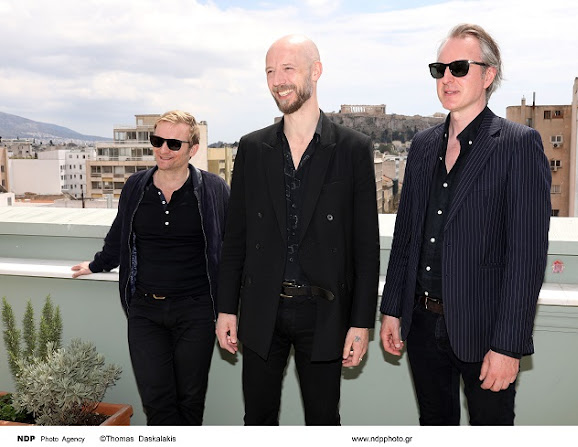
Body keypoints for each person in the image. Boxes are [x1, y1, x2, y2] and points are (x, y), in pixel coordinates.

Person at [380, 23, 551, 425]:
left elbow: (527, 257)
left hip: (486, 332)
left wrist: (508, 346)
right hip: (422, 326)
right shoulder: (422, 146)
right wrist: (392, 310)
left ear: (488, 75)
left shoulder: (518, 144)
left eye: (459, 68)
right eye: (439, 69)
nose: (447, 78)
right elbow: (406, 237)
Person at [215, 34, 379, 426]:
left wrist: (361, 323)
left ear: (315, 71)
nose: (277, 80)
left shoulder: (352, 148)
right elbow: (235, 237)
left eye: (288, 68)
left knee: (323, 421)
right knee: (257, 420)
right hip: (261, 310)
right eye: (270, 71)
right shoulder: (252, 148)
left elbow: (365, 246)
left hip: (324, 312)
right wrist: (226, 308)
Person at [71, 110, 230, 425]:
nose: (163, 149)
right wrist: (96, 264)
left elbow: (233, 246)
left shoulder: (214, 189)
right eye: (157, 140)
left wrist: (231, 308)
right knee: (157, 402)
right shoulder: (136, 186)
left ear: (193, 149)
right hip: (145, 311)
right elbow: (119, 235)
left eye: (174, 143)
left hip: (196, 310)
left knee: (190, 400)